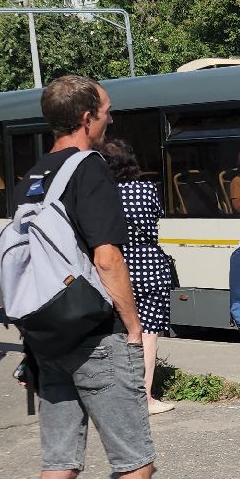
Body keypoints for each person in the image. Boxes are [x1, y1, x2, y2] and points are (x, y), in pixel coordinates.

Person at [14, 75, 205, 479]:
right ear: (86, 116)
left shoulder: (32, 175)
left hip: (46, 338)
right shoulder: (88, 168)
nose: (111, 118)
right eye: (107, 110)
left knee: (57, 465)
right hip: (94, 334)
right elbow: (106, 256)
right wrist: (130, 324)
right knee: (134, 459)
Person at [100, 138, 176, 416]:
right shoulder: (147, 189)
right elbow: (156, 218)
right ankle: (145, 397)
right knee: (149, 334)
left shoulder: (103, 194)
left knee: (120, 332)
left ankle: (117, 393)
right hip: (151, 267)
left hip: (118, 268)